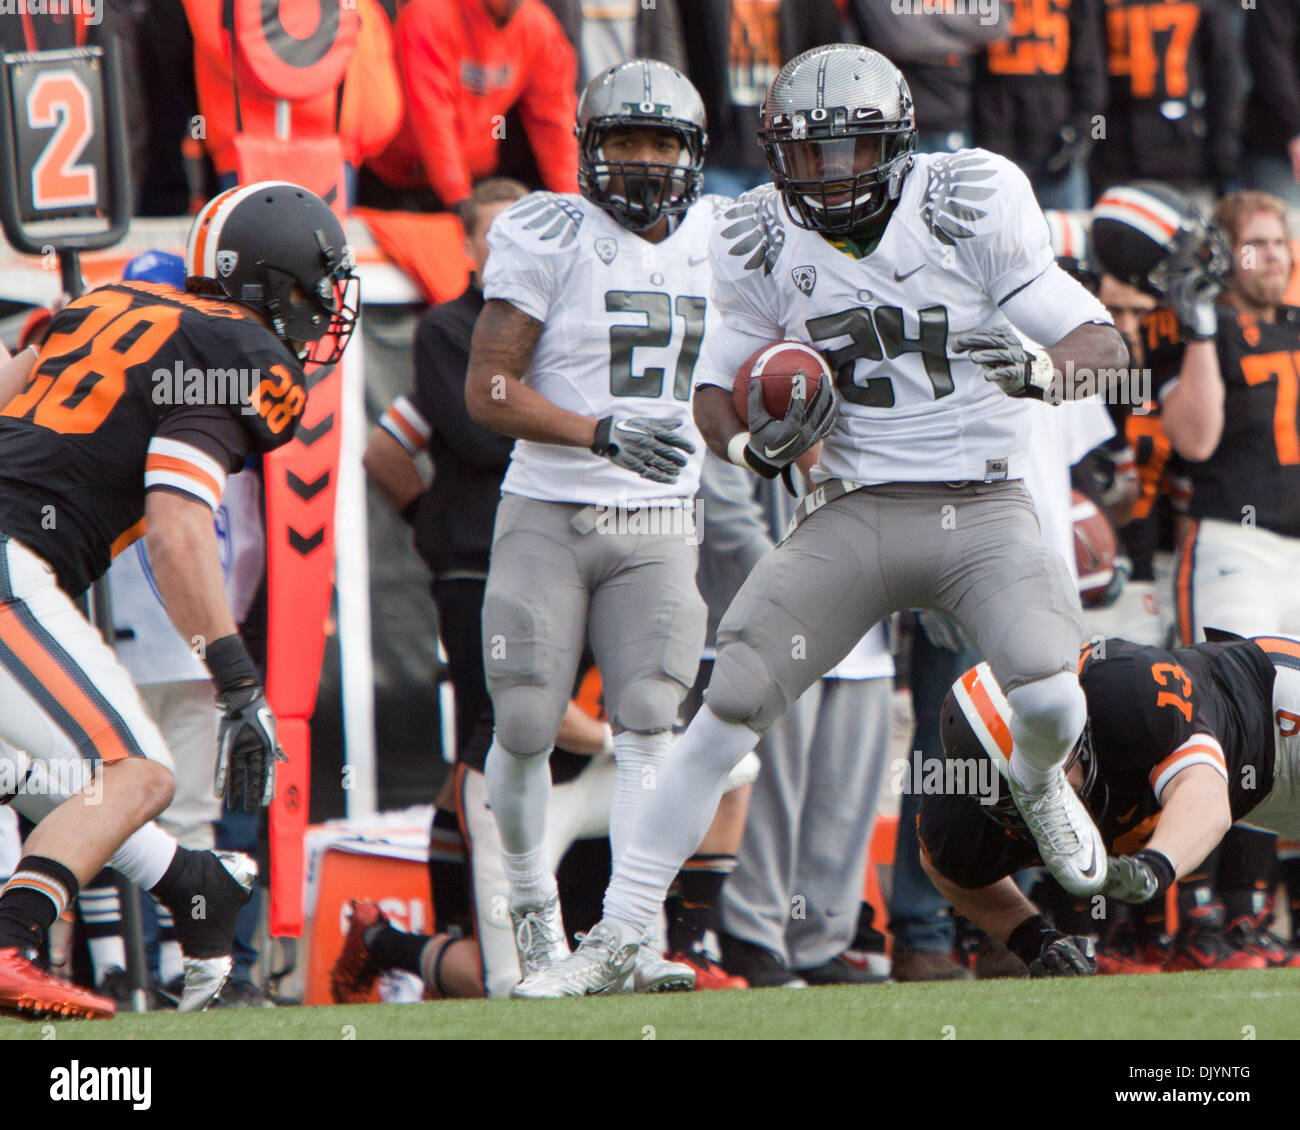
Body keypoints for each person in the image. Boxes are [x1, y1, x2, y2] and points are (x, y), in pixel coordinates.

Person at [512, 42, 1130, 998]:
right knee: (723, 718)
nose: (833, 176)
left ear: (901, 142)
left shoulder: (966, 201)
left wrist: (1047, 371)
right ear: (774, 154)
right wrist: (746, 451)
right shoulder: (758, 231)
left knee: (1050, 701)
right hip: (854, 510)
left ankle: (1038, 781)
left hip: (981, 502)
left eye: (852, 151)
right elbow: (715, 385)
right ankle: (623, 935)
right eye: (809, 155)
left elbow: (1102, 337)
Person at [0, 181, 358, 1019]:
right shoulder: (244, 356)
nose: (319, 314)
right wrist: (237, 681)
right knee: (139, 774)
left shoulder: (108, 302)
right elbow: (176, 524)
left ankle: (194, 886)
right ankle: (11, 941)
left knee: (40, 776)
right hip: (11, 556)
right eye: (313, 291)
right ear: (269, 285)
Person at [463, 59, 733, 995]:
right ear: (591, 148)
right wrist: (596, 431)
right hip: (549, 504)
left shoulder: (728, 237)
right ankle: (536, 918)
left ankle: (631, 932)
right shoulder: (548, 230)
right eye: (624, 139)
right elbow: (487, 388)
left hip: (661, 517)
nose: (644, 159)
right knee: (530, 718)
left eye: (662, 141)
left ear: (694, 152)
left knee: (652, 722)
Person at [1093, 184, 1300, 970]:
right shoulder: (1181, 322)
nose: (1271, 257)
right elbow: (1199, 438)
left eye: (1279, 242)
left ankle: (1252, 917)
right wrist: (1205, 320)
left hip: (1296, 549)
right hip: (1227, 541)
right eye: (1254, 243)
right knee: (1233, 723)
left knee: (1287, 735)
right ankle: (1194, 917)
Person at [919, 632, 1300, 974]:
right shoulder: (962, 810)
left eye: (1047, 774)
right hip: (1256, 799)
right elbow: (945, 866)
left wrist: (1153, 867)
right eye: (1021, 791)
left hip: (1274, 712)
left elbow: (1207, 796)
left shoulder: (1126, 687)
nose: (1048, 798)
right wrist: (1034, 940)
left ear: (1070, 728)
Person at [365, 0, 578, 215]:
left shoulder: (537, 25)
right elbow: (431, 114)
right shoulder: (430, 14)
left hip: (474, 181)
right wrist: (458, 197)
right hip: (397, 182)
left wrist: (573, 202)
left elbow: (555, 121)